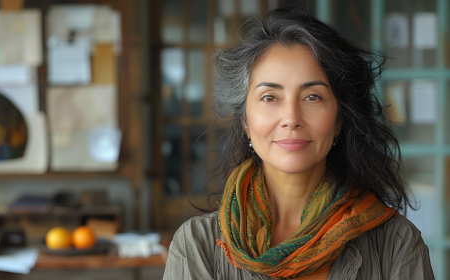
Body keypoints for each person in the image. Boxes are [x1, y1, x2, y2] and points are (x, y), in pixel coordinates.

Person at [162, 7, 435, 280]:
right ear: (245, 120)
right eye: (270, 97)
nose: (291, 118)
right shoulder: (197, 247)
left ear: (340, 119)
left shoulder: (396, 245)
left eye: (312, 97)